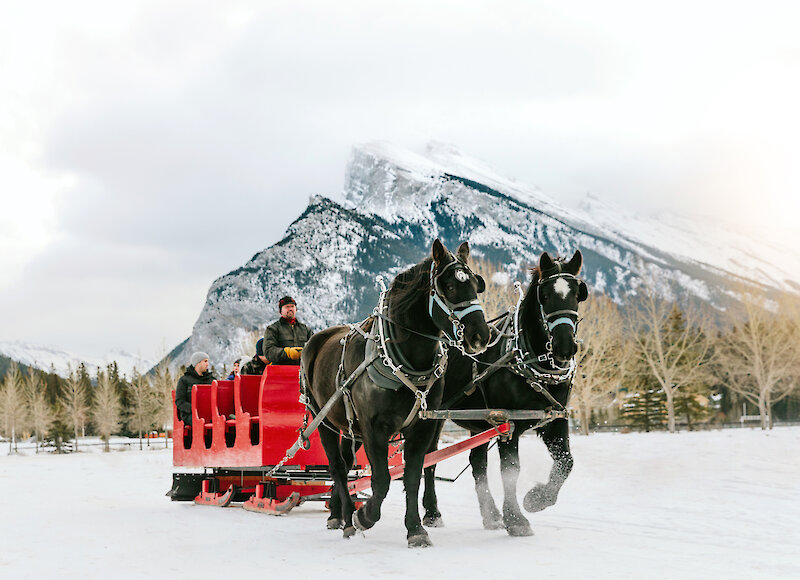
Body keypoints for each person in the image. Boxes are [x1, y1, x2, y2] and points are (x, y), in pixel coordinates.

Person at [262, 295, 313, 366]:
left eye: (292, 306)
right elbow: (269, 352)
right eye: (287, 307)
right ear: (280, 311)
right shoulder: (272, 329)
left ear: (296, 309)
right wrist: (288, 353)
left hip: (303, 371)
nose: (290, 309)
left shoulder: (306, 329)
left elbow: (314, 348)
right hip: (280, 371)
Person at [174, 352, 216, 426]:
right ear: (198, 363)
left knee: (218, 422)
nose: (207, 364)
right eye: (205, 361)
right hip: (190, 415)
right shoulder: (184, 380)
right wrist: (194, 409)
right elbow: (179, 401)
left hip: (209, 414)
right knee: (199, 421)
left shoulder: (212, 380)